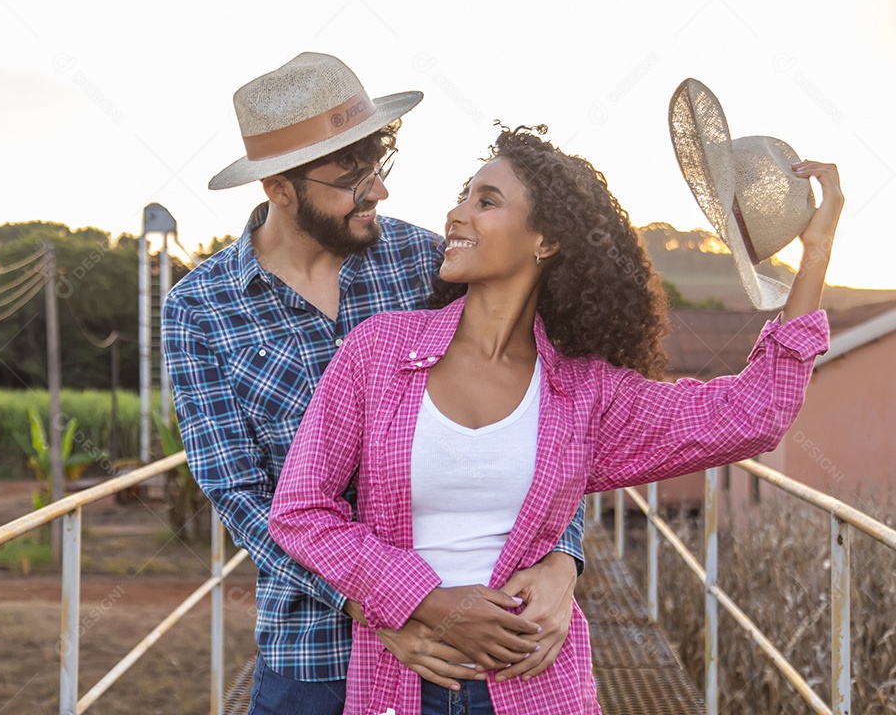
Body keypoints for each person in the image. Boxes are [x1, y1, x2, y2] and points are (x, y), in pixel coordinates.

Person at [269, 123, 840, 714]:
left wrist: (817, 252)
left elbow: (755, 414)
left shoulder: (586, 393)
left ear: (545, 241)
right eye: (464, 195)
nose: (456, 214)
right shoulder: (378, 352)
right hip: (402, 682)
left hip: (536, 686)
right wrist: (422, 599)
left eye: (485, 201)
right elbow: (301, 509)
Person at [162, 55, 585, 715]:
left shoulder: (431, 263)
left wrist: (564, 559)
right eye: (348, 178)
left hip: (474, 647)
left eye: (377, 165)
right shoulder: (200, 309)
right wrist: (385, 604)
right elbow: (239, 491)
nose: (377, 192)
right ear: (278, 187)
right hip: (315, 648)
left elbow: (544, 417)